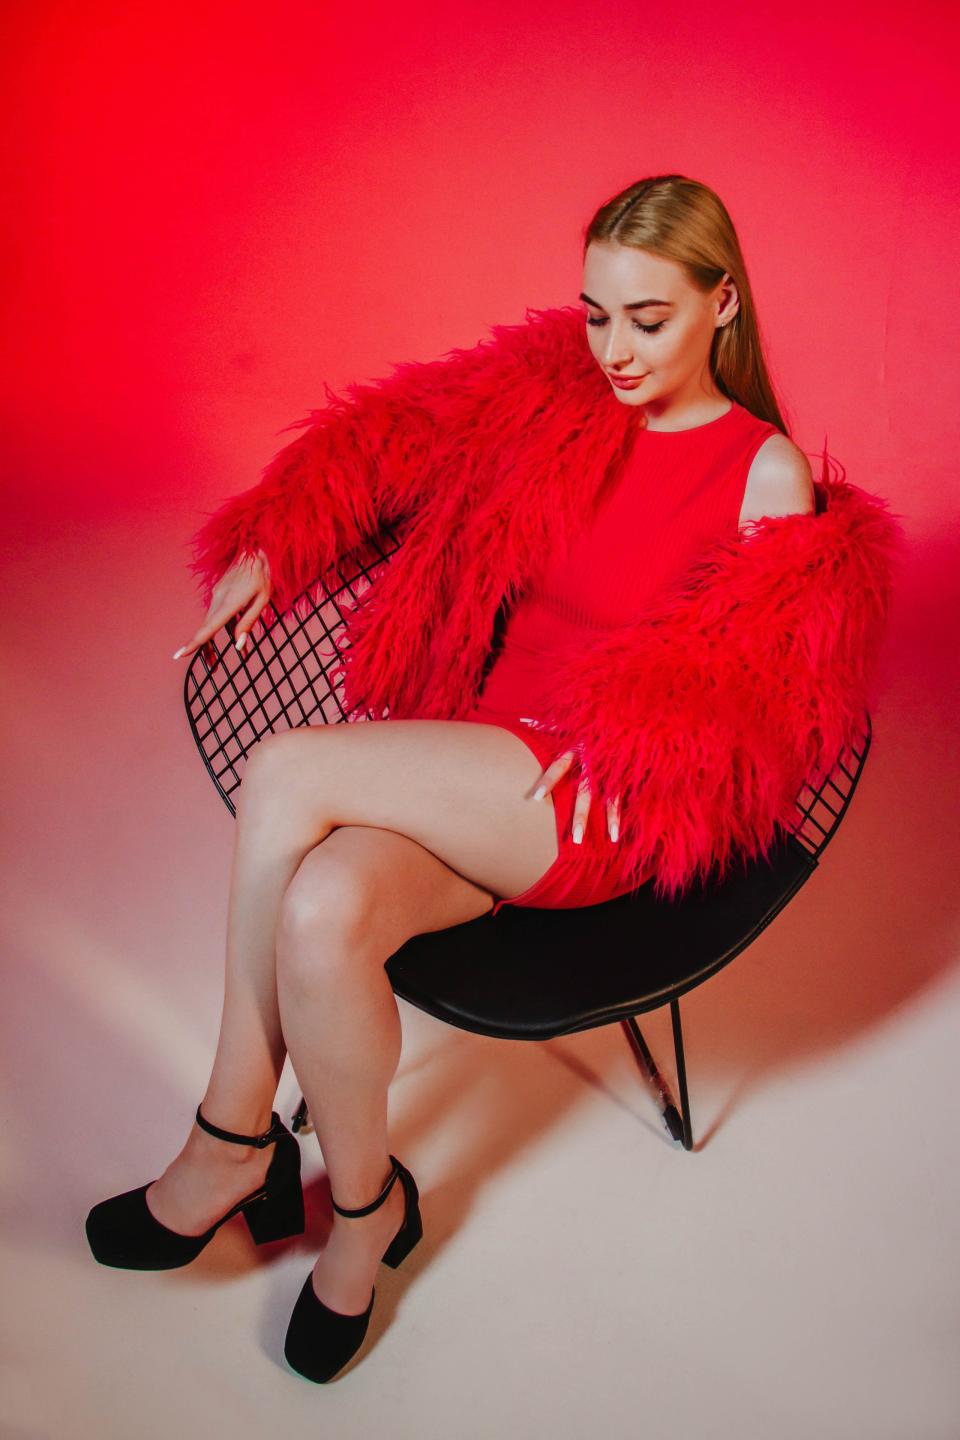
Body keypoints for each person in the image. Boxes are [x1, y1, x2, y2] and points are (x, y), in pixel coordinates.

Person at [86, 175, 821, 1382]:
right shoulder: (559, 400)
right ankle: (367, 1210)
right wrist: (276, 541)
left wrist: (649, 720)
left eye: (648, 319)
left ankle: (230, 1141)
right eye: (596, 315)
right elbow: (397, 442)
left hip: (589, 799)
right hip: (474, 758)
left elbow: (767, 694)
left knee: (287, 770)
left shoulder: (765, 472)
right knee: (322, 909)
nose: (615, 350)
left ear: (722, 302)